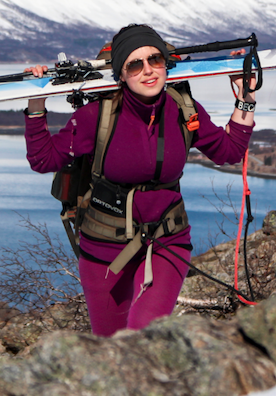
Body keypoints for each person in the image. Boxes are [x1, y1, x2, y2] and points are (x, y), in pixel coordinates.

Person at [24, 24, 256, 336]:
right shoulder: (97, 117)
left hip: (167, 240)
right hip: (104, 251)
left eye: (155, 60)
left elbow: (229, 151)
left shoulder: (183, 108)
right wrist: (36, 106)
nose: (148, 71)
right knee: (110, 349)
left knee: (141, 337)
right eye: (135, 64)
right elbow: (44, 160)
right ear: (120, 73)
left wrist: (246, 96)